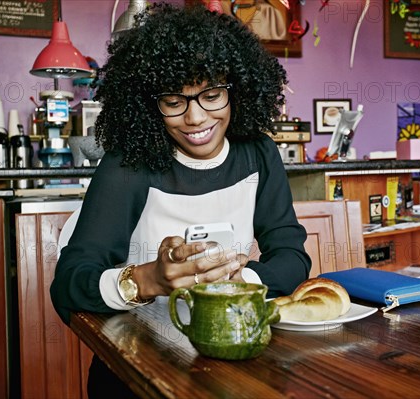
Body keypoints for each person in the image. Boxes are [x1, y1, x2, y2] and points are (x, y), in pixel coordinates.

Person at [50, 3, 311, 397]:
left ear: (236, 88)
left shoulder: (259, 153)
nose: (195, 118)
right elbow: (69, 283)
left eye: (211, 94)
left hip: (228, 359)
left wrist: (242, 280)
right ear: (149, 104)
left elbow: (292, 257)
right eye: (174, 101)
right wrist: (147, 279)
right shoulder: (129, 166)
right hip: (134, 369)